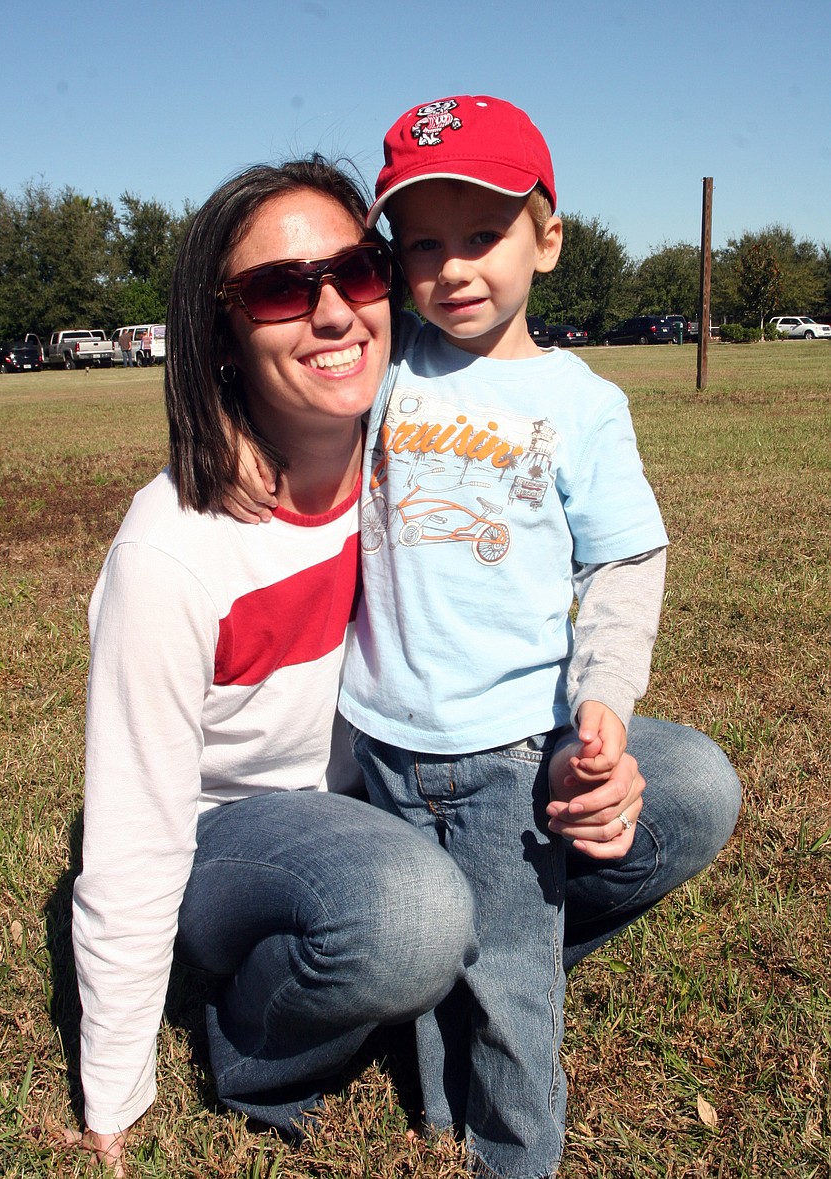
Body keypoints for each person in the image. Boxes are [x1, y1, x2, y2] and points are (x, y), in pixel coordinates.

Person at [331, 95, 742, 1179]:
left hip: (508, 751)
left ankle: (516, 1156)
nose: (453, 268)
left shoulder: (582, 401)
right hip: (374, 739)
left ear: (545, 240)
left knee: (509, 979)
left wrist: (603, 696)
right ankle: (431, 1121)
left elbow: (622, 563)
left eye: (483, 235)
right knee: (426, 966)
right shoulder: (386, 366)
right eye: (422, 243)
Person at [65, 158, 486, 1178]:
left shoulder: (420, 454)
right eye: (279, 289)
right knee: (408, 911)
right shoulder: (173, 549)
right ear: (222, 335)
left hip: (383, 791)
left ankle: (437, 981)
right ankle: (261, 1053)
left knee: (684, 789)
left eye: (359, 268)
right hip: (231, 839)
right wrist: (113, 1090)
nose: (333, 311)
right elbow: (131, 832)